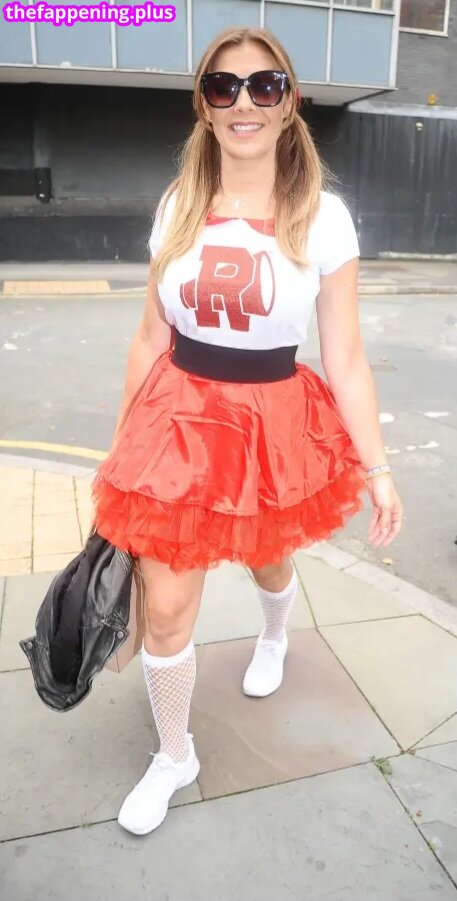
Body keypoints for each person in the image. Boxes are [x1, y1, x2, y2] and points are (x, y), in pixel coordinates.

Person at [92, 25, 403, 836]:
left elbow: (345, 357)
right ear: (203, 106)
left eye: (264, 86)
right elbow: (149, 337)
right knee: (166, 605)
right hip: (177, 421)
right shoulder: (178, 206)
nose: (244, 102)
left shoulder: (323, 218)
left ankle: (273, 633)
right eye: (223, 86)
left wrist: (377, 468)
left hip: (271, 421)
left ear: (288, 103)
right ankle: (174, 754)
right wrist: (121, 448)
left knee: (269, 556)